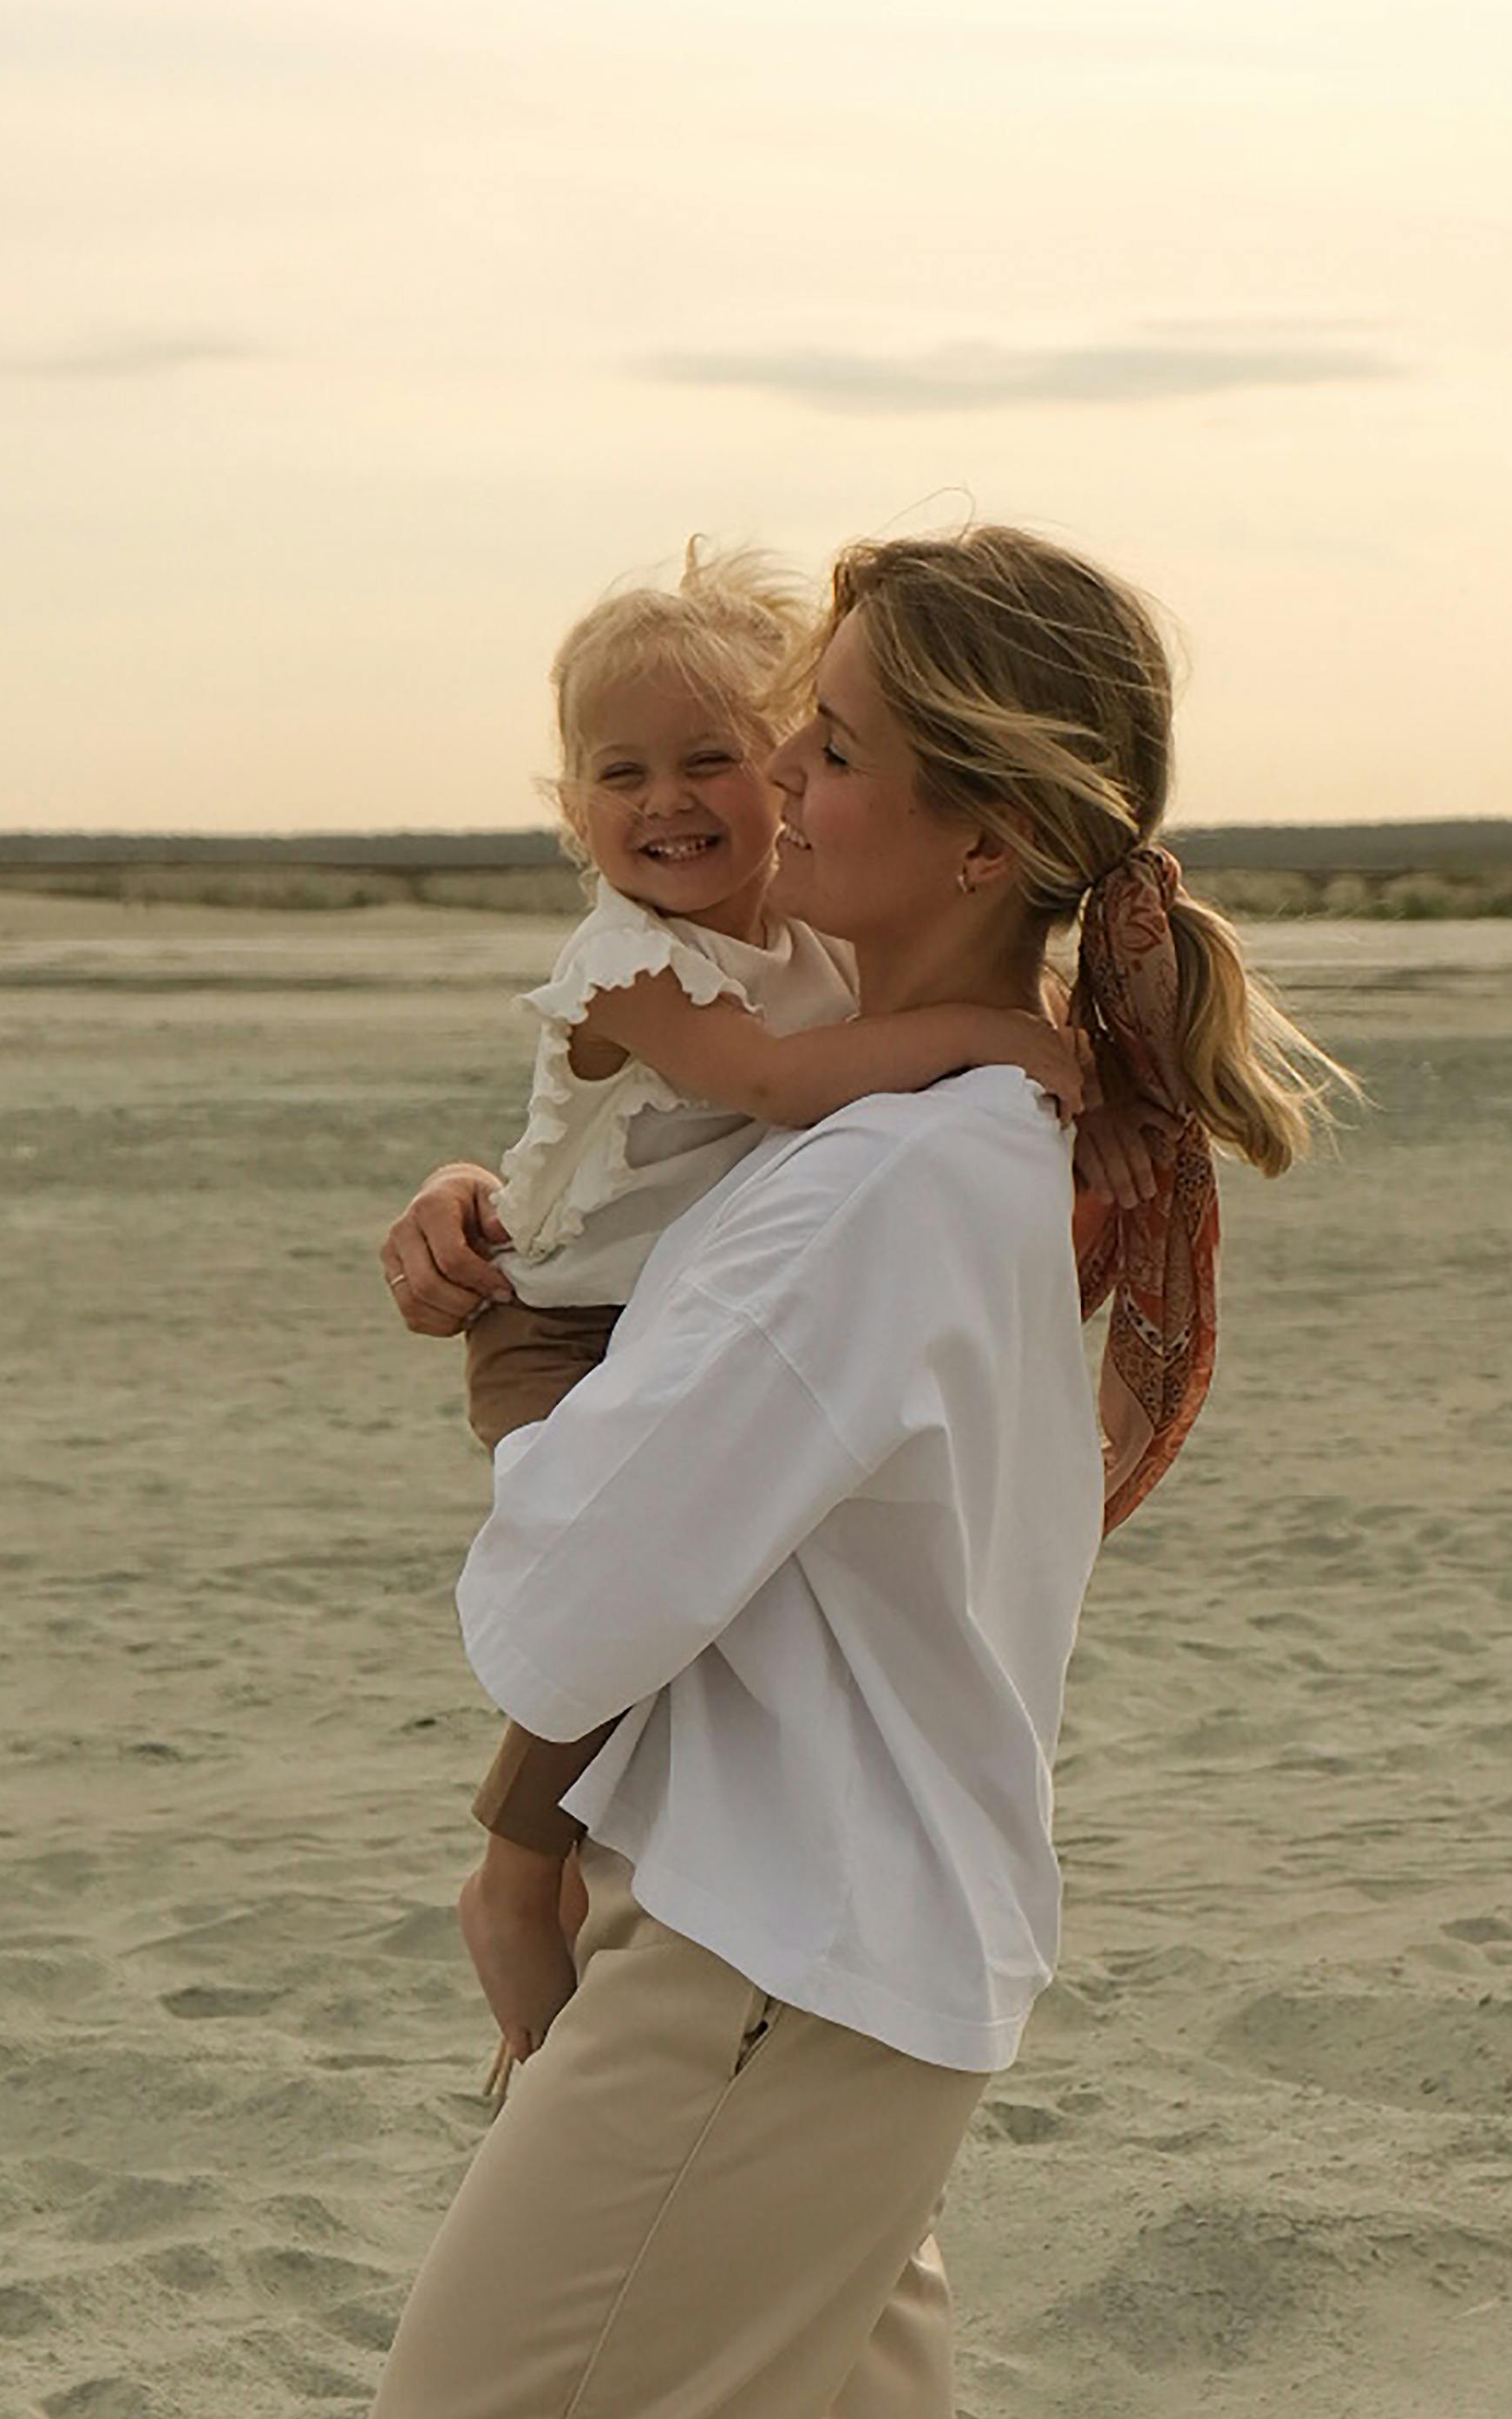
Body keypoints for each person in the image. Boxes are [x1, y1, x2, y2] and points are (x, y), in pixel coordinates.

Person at [269, 524, 1341, 2419]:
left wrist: (523, 1407)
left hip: (760, 1982)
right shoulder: (920, 1149)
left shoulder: (879, 1187)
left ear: (983, 828)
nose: (771, 778)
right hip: (873, 1973)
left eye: (835, 743)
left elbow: (569, 1600)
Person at [435, 541, 1085, 2077]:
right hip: (557, 1320)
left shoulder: (790, 935)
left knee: (673, 1590)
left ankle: (564, 1884)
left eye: (721, 758)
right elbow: (779, 1087)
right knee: (623, 1587)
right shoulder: (627, 964)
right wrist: (1007, 1030)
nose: (670, 802)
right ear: (568, 806)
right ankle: (513, 1874)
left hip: (649, 1299)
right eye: (621, 773)